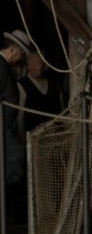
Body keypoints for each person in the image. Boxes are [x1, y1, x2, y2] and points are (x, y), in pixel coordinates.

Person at [1, 30, 35, 215]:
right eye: (22, 53)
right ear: (13, 50)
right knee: (16, 162)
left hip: (6, 128)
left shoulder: (4, 67)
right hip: (2, 129)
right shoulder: (0, 66)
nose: (22, 57)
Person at [18, 51, 66, 138]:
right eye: (30, 64)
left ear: (45, 66)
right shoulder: (22, 85)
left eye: (36, 64)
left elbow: (62, 111)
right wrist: (23, 141)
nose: (32, 67)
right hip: (33, 139)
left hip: (54, 137)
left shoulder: (54, 84)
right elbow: (19, 117)